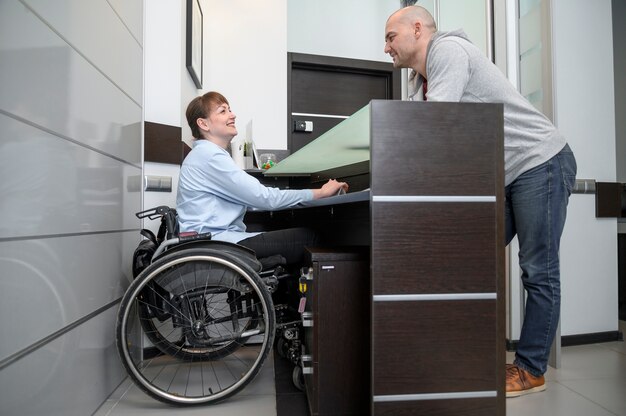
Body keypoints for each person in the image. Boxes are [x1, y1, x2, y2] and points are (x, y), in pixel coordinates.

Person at [384, 6, 577, 397]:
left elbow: (433, 131)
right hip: (505, 177)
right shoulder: (419, 81)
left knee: (538, 269)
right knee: (468, 258)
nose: (385, 46)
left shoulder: (447, 52)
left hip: (539, 162)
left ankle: (531, 368)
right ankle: (465, 352)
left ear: (417, 29)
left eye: (390, 36)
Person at [176, 91, 348, 265]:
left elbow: (252, 196)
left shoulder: (205, 154)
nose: (232, 115)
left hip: (209, 241)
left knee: (271, 229)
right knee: (311, 237)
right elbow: (266, 198)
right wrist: (321, 192)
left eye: (230, 110)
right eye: (223, 111)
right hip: (215, 243)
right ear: (203, 124)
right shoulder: (210, 156)